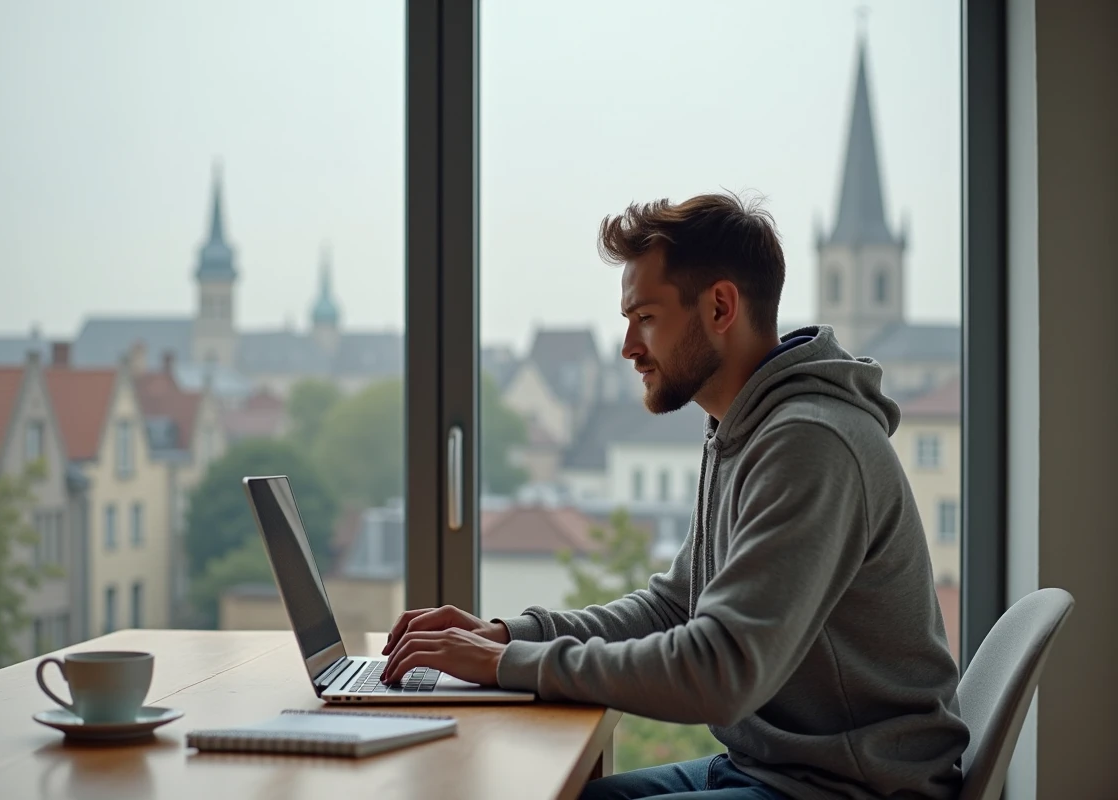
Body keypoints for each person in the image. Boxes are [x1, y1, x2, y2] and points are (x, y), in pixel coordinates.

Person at [380, 193, 968, 800]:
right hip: (778, 769)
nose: (628, 346)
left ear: (719, 306)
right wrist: (510, 635)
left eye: (647, 318)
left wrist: (504, 667)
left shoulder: (809, 443)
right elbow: (676, 606)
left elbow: (720, 671)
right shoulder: (744, 429)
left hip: (855, 788)